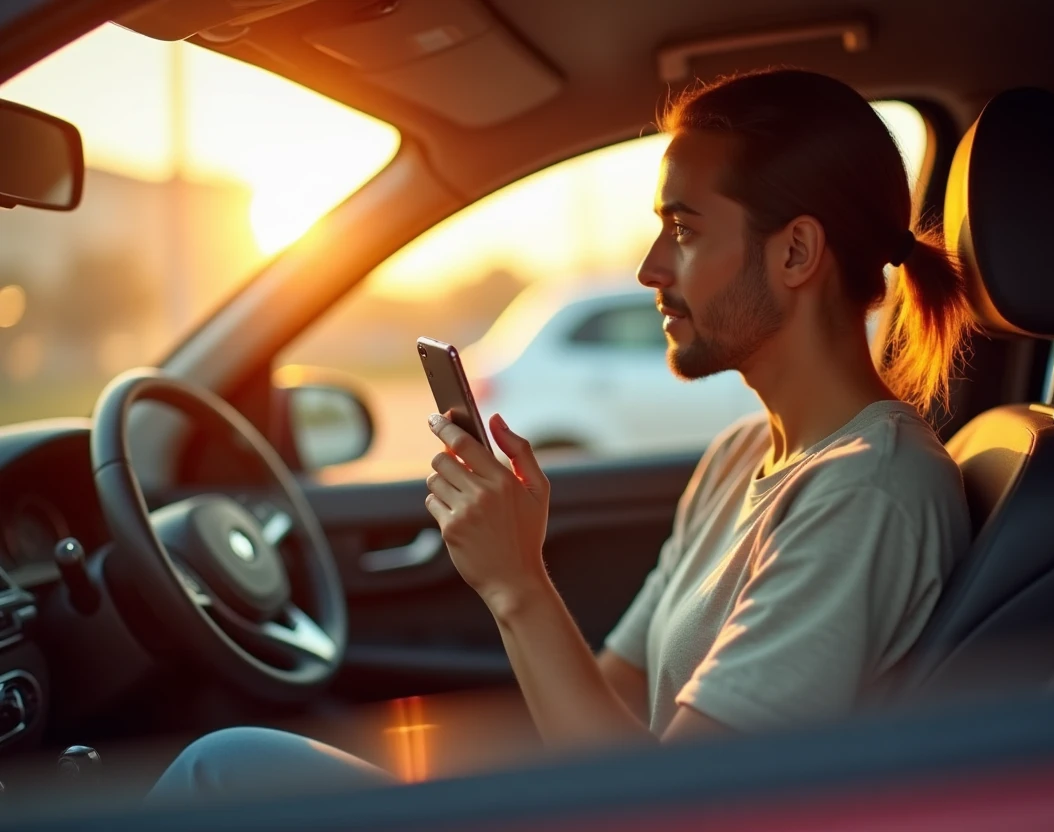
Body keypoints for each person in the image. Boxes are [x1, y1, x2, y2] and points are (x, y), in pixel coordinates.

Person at [148, 68, 972, 804]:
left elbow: (676, 815)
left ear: (796, 251)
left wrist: (517, 584)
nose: (651, 267)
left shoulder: (867, 495)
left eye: (683, 230)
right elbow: (614, 697)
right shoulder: (743, 457)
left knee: (222, 772)